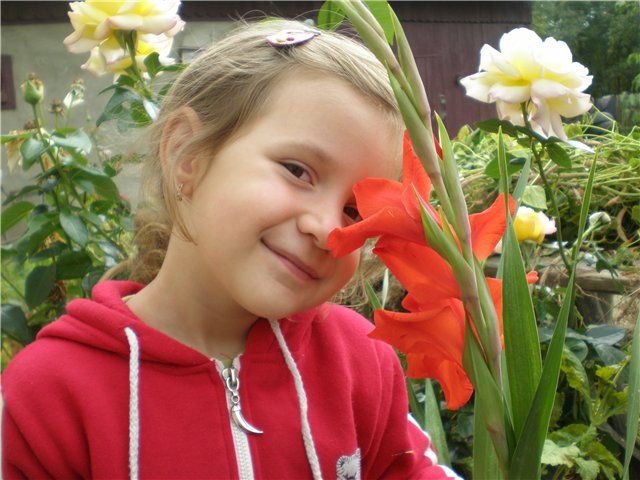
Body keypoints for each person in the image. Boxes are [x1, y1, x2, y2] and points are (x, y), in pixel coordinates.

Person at [2, 19, 461, 480]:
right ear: (187, 153)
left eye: (356, 212)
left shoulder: (360, 363)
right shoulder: (46, 396)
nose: (328, 231)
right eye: (297, 171)